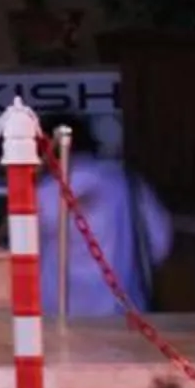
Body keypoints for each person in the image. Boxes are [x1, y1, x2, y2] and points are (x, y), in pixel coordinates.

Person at [35, 123, 175, 318]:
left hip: (57, 312)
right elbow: (160, 242)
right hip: (125, 313)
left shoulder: (46, 191)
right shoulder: (129, 182)